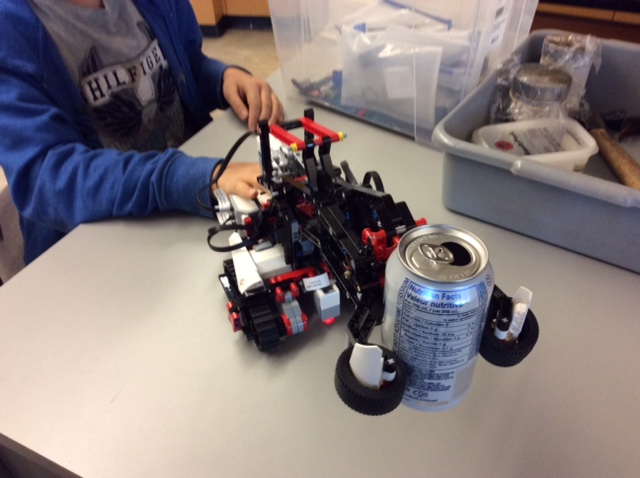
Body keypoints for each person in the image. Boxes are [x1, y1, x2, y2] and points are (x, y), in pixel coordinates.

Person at [0, 0, 284, 267]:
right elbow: (47, 177)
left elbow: (185, 63)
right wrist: (187, 178)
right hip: (101, 247)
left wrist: (222, 78)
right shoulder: (11, 28)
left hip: (192, 199)